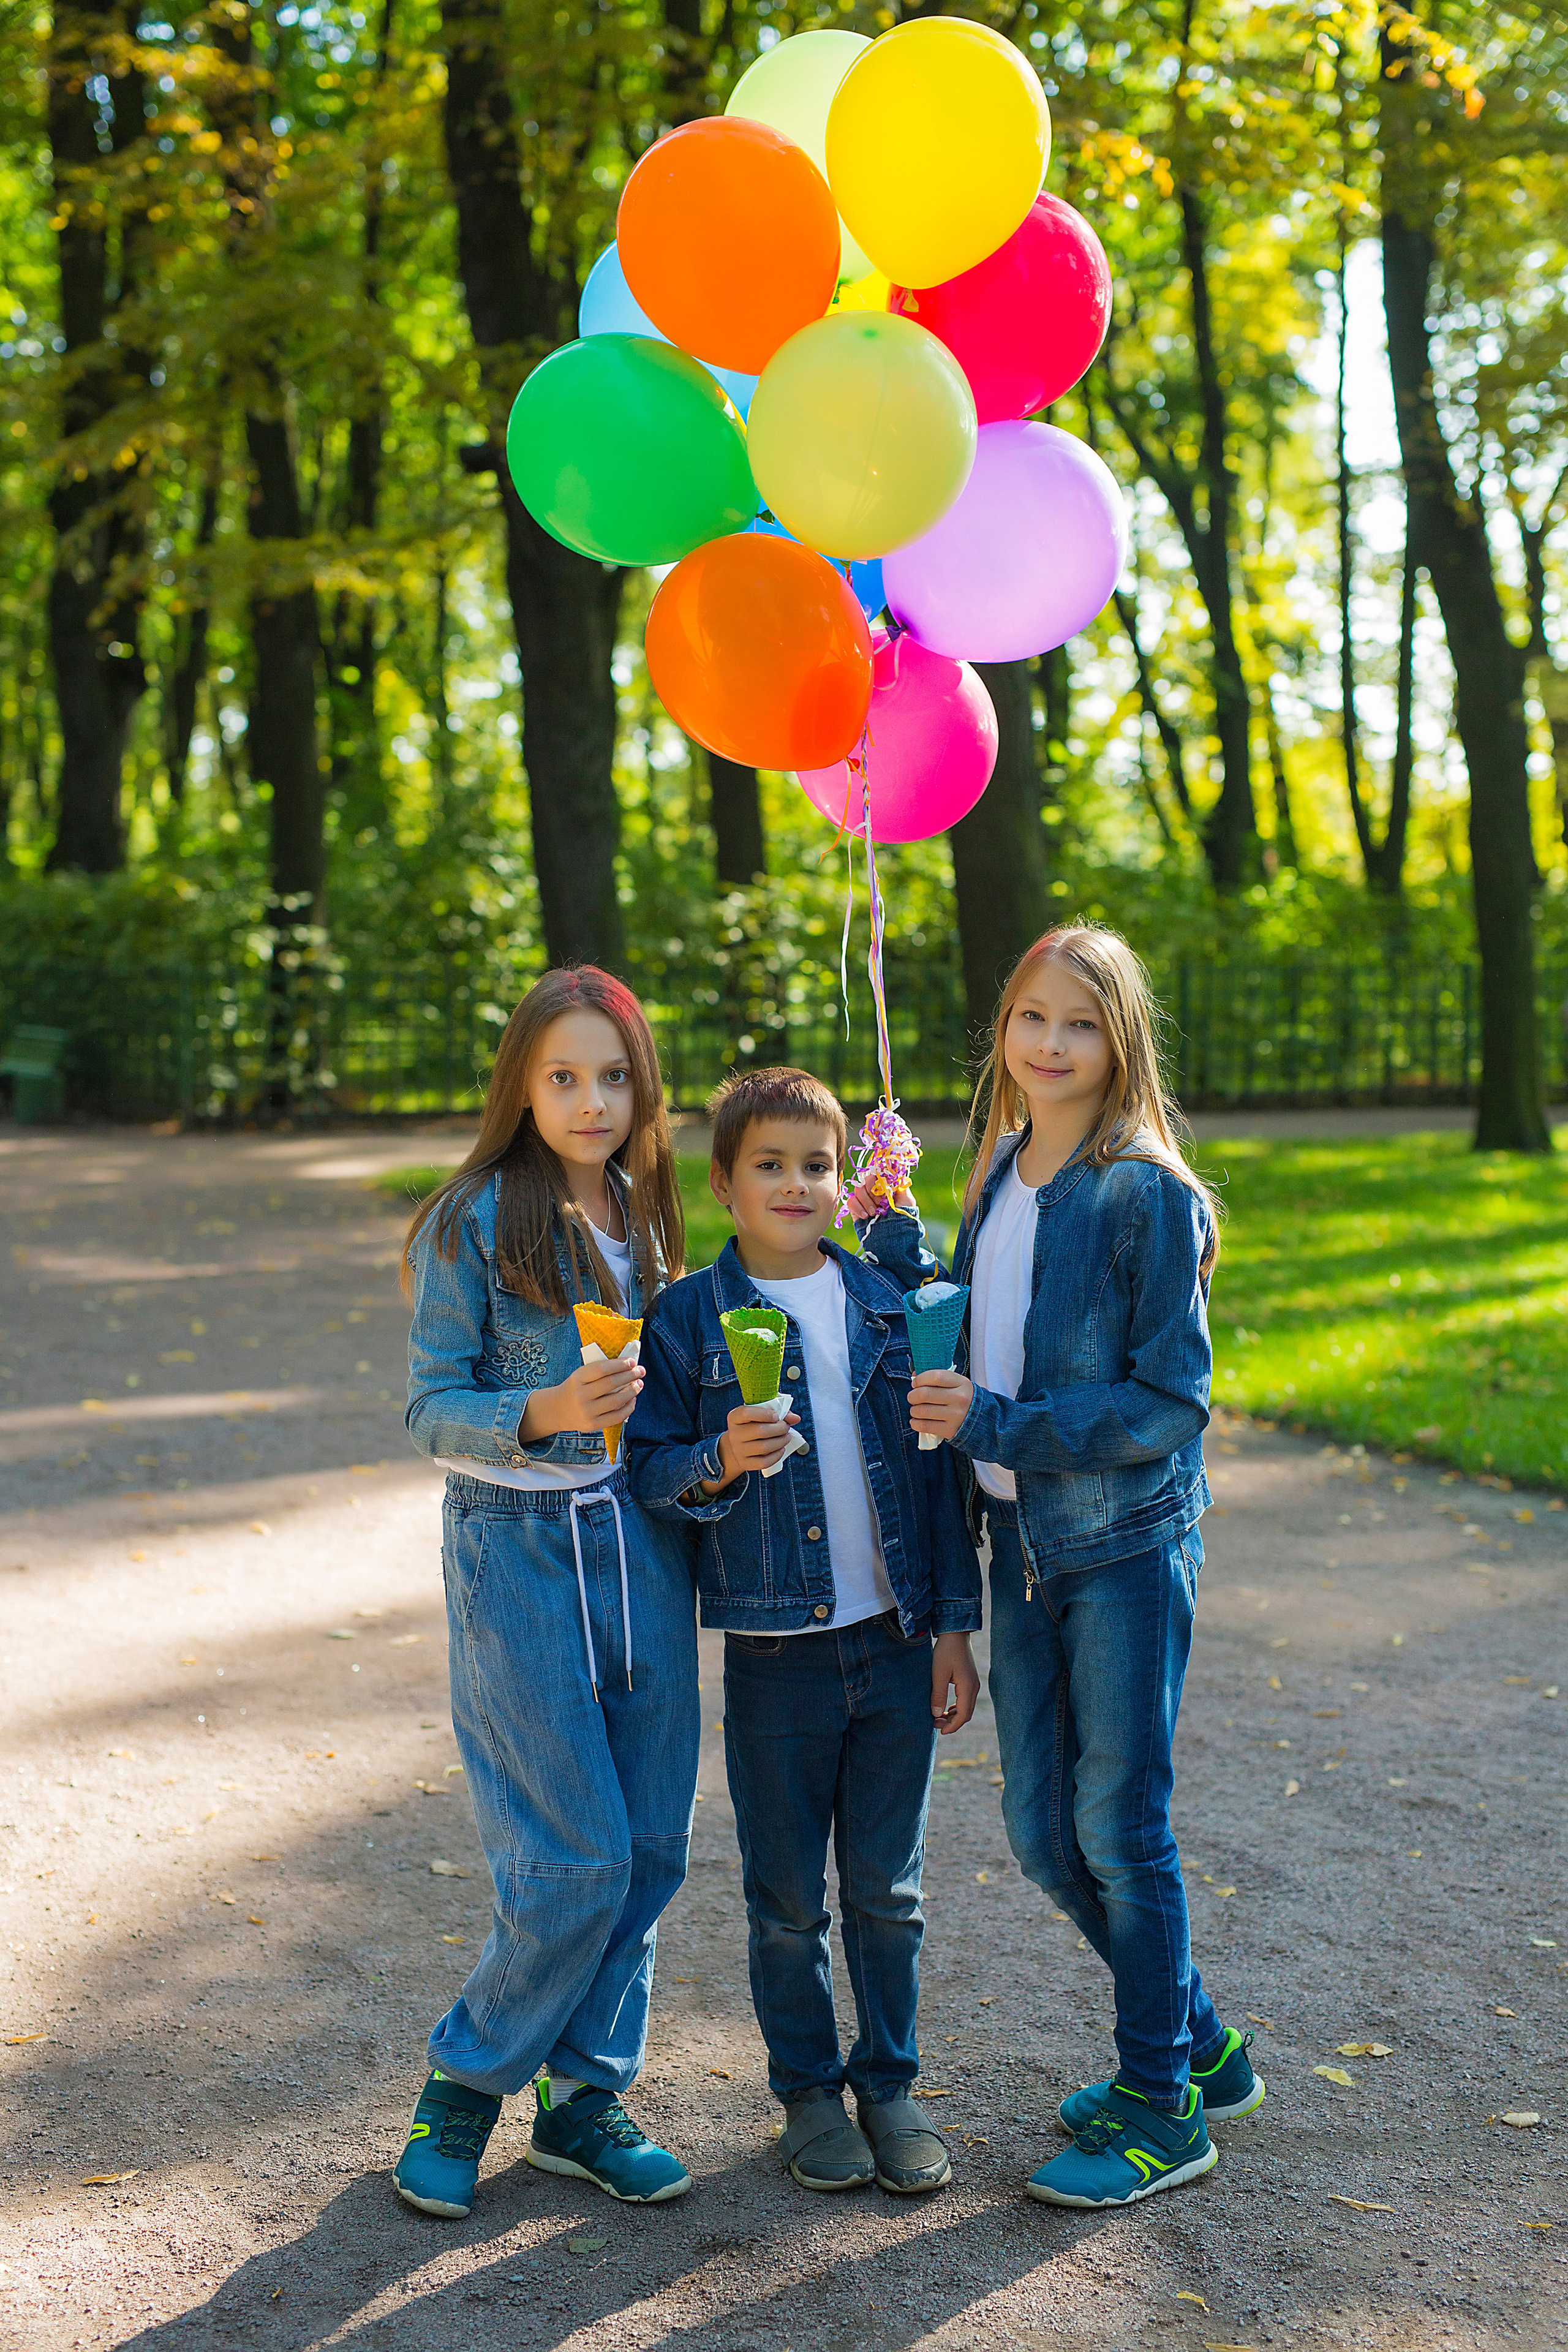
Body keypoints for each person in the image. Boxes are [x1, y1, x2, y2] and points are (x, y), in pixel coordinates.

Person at [875, 923, 1264, 2211]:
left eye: (1079, 1024)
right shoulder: (994, 1167)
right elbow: (980, 1321)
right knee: (1042, 1833)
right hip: (1019, 1551)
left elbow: (1170, 1398)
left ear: (1119, 1041)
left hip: (1120, 1549)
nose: (1049, 1044)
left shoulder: (1141, 1191)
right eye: (1031, 1017)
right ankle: (1197, 2043)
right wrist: (893, 1250)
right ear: (1003, 1026)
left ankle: (1160, 2106)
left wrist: (995, 1428)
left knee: (1118, 1823)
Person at [627, 1067, 982, 2198]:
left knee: (889, 1890)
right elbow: (649, 1470)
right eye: (769, 1165)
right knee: (787, 1900)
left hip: (893, 1641)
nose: (795, 1183)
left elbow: (939, 1482)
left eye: (817, 1164)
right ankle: (808, 2093)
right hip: (776, 1654)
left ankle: (889, 2086)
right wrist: (722, 1461)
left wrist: (954, 1630)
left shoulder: (891, 1300)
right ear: (724, 1183)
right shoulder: (686, 1317)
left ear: (848, 1179)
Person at [391, 965, 699, 2219]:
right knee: (569, 1856)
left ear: (642, 1089)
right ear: (522, 1082)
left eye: (612, 1076)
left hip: (638, 1550)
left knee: (648, 1847)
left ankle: (583, 2100)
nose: (590, 1100)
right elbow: (428, 1404)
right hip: (514, 1548)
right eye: (564, 1075)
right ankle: (462, 2087)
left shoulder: (654, 1215)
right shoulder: (476, 1218)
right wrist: (538, 1411)